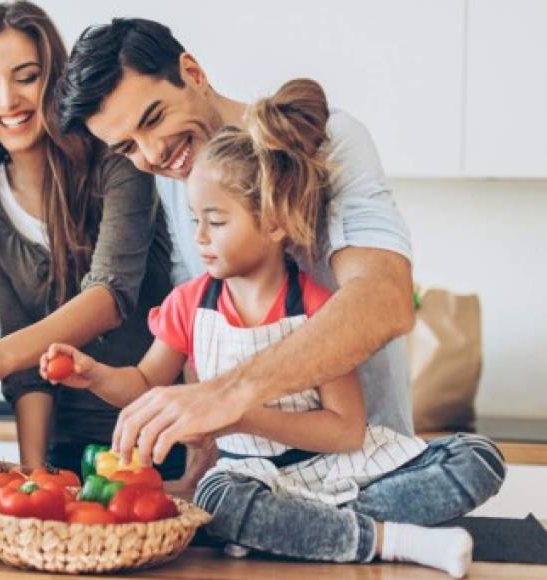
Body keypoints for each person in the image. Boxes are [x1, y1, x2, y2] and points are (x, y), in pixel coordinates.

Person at [42, 79, 503, 577]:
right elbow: (143, 383)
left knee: (479, 458)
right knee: (221, 498)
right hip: (253, 480)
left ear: (275, 222)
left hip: (340, 469)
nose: (198, 239)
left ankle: (296, 531)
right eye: (195, 219)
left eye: (215, 222)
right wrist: (94, 375)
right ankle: (386, 539)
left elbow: (347, 431)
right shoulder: (189, 305)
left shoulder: (321, 311)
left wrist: (238, 413)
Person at [57, 17, 421, 468]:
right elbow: (199, 339)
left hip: (369, 460)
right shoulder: (178, 177)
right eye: (128, 147)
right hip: (251, 472)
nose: (152, 155)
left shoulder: (331, 141)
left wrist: (228, 396)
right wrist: (200, 469)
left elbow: (385, 298)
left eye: (154, 119)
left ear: (192, 73)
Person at [0, 1, 187, 479]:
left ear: (56, 80)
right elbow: (23, 357)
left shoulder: (119, 161)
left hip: (156, 436)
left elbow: (109, 296)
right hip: (66, 448)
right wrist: (33, 473)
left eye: (25, 76)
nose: (6, 100)